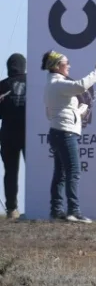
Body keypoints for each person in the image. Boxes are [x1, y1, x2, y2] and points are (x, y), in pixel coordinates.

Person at [41, 50, 96, 223]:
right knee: (73, 171)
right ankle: (74, 211)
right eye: (66, 63)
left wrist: (80, 110)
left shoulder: (52, 84)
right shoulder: (59, 84)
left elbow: (59, 111)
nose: (69, 65)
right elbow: (81, 86)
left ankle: (56, 211)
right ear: (56, 66)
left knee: (61, 173)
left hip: (58, 132)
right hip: (65, 133)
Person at [0, 53, 27, 219]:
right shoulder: (32, 82)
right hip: (27, 133)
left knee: (10, 172)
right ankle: (35, 205)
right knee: (33, 170)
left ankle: (12, 209)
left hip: (8, 134)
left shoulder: (2, 85)